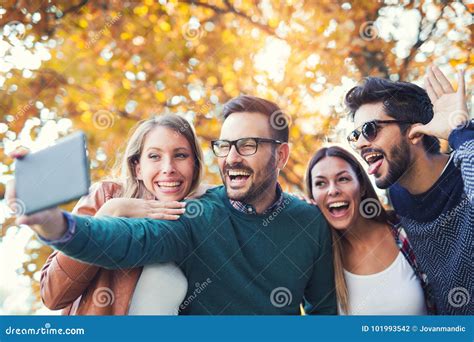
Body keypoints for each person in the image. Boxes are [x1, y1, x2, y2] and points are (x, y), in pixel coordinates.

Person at [8, 95, 337, 315]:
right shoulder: (193, 213)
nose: (232, 157)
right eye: (225, 146)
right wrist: (54, 223)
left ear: (281, 155)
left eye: (247, 145)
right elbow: (123, 240)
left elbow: (325, 312)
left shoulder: (309, 221)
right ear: (138, 166)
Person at [13, 115, 205, 315]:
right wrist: (110, 211)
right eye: (154, 156)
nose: (168, 169)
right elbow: (53, 295)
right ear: (138, 168)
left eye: (181, 155)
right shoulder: (106, 195)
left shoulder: (204, 217)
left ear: (195, 165)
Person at [345, 66, 473, 314]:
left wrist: (461, 132)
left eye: (370, 130)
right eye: (355, 135)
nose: (360, 143)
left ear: (414, 132)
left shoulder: (464, 166)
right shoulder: (398, 194)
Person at [305, 146, 435, 315]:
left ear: (363, 187)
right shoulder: (318, 259)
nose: (333, 190)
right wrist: (302, 216)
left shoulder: (406, 232)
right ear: (313, 195)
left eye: (343, 179)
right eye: (320, 183)